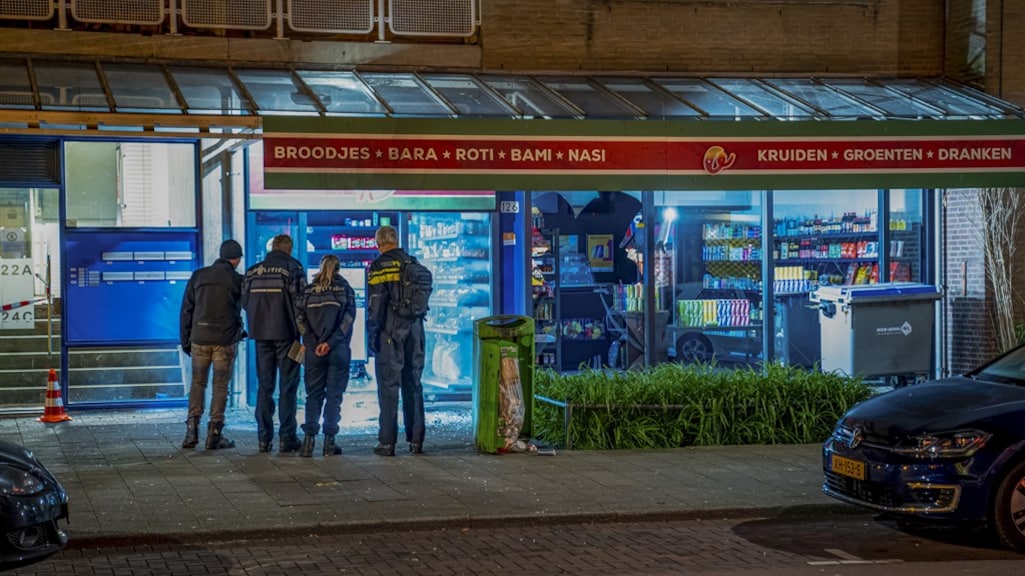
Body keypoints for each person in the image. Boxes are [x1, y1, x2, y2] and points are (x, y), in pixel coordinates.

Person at [242, 234, 307, 453]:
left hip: (260, 336)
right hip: (288, 336)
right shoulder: (293, 268)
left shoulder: (252, 271)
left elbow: (244, 302)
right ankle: (287, 437)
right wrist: (305, 333)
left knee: (265, 386)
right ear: (289, 249)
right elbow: (301, 304)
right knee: (288, 387)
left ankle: (263, 438)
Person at [179, 239, 246, 450]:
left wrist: (186, 340)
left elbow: (186, 310)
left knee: (197, 384)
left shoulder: (199, 275)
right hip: (224, 341)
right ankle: (214, 434)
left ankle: (191, 432)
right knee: (220, 386)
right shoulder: (237, 279)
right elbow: (245, 307)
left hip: (199, 338)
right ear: (236, 259)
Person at [367, 225, 427, 456]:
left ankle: (387, 442)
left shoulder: (379, 266)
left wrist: (373, 335)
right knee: (414, 384)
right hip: (415, 330)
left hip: (390, 332)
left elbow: (376, 305)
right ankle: (416, 441)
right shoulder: (413, 263)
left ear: (378, 243)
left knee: (389, 387)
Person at [295, 254, 356, 457]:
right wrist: (330, 343)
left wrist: (314, 343)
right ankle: (329, 442)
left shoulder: (308, 290)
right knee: (334, 395)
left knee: (313, 395)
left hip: (313, 351)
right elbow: (348, 320)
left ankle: (308, 442)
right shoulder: (344, 289)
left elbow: (299, 319)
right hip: (337, 350)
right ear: (338, 269)